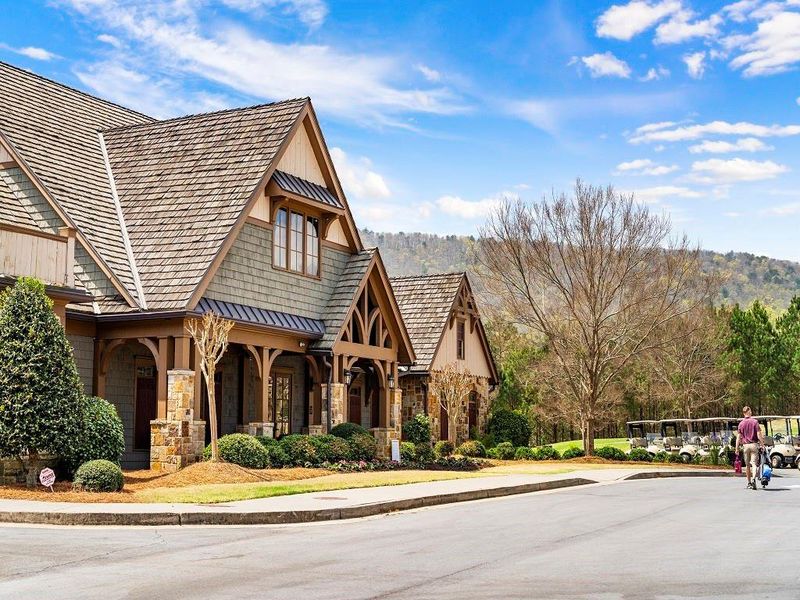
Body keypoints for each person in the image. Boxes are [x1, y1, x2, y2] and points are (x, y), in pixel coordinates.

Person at [735, 406, 764, 489]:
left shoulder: (741, 424)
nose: (751, 412)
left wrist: (736, 448)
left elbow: (738, 437)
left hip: (745, 446)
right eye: (750, 411)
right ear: (749, 412)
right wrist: (762, 444)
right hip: (754, 445)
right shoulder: (755, 422)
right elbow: (759, 435)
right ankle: (754, 479)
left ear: (743, 413)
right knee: (754, 464)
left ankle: (749, 482)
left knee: (747, 465)